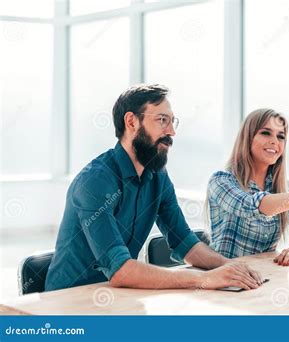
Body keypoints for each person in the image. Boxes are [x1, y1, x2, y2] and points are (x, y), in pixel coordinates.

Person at [45, 84, 262, 292]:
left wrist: (229, 267)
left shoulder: (158, 177)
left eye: (172, 121)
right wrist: (204, 279)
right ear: (131, 122)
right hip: (66, 304)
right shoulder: (94, 182)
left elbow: (185, 243)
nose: (171, 132)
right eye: (162, 120)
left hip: (117, 297)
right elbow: (121, 270)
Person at [207, 108, 289, 266]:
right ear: (248, 138)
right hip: (226, 280)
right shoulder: (221, 180)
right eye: (266, 133)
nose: (275, 141)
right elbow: (250, 206)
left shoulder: (281, 186)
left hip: (265, 276)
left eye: (280, 136)